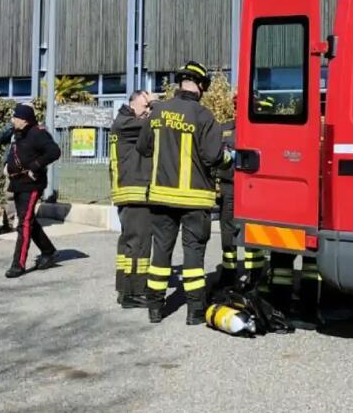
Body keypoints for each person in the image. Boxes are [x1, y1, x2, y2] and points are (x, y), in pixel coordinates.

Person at [138, 61, 229, 325]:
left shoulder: (158, 112)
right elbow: (213, 156)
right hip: (194, 199)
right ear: (201, 86)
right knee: (193, 254)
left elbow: (143, 148)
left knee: (161, 252)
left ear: (180, 83)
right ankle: (195, 311)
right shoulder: (203, 116)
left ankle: (155, 307)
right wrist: (229, 160)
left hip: (161, 196)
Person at [4, 104, 62, 279]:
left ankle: (18, 264)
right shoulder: (17, 133)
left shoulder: (38, 133)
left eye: (16, 117)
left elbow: (54, 151)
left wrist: (35, 166)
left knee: (25, 223)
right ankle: (48, 250)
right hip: (18, 183)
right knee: (28, 220)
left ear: (24, 119)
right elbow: (3, 142)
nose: (13, 120)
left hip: (31, 184)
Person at [110, 90, 154, 309]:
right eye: (145, 106)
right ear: (132, 103)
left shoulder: (123, 121)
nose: (147, 112)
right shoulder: (128, 123)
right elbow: (154, 125)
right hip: (135, 193)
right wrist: (157, 105)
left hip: (128, 193)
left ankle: (124, 288)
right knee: (139, 244)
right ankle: (136, 292)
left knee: (128, 244)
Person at [214, 94, 264, 288]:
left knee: (254, 230)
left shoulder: (262, 130)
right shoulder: (224, 129)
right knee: (228, 231)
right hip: (230, 187)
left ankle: (255, 275)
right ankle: (229, 272)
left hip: (255, 188)